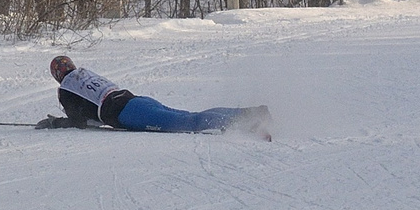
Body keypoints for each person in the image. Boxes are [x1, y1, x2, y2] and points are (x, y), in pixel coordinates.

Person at [46, 54, 271, 137]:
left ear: (57, 75)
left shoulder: (66, 88)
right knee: (192, 116)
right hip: (137, 101)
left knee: (190, 123)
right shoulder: (84, 73)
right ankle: (248, 116)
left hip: (129, 113)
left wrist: (56, 123)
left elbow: (79, 121)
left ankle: (248, 117)